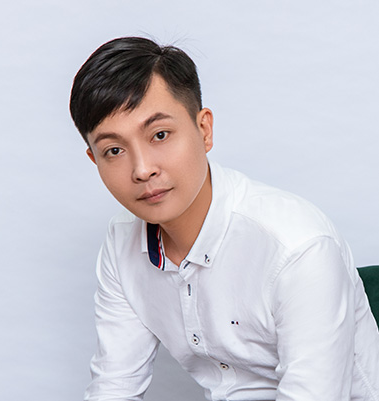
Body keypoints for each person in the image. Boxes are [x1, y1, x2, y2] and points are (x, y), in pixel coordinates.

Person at [69, 37, 379, 401]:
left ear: (204, 130)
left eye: (160, 135)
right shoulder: (123, 241)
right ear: (94, 160)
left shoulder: (296, 247)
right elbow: (114, 386)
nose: (142, 169)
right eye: (114, 150)